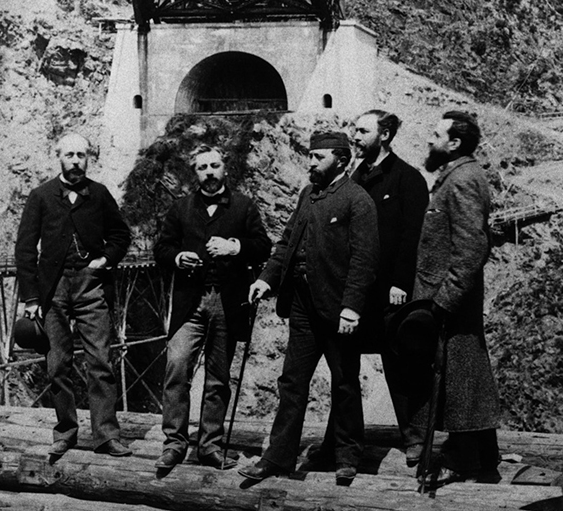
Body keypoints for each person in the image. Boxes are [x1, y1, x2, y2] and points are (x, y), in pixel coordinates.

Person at [239, 131, 380, 485]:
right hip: (301, 305)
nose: (311, 163)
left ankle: (347, 457)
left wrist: (351, 308)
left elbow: (365, 260)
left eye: (318, 158)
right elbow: (287, 241)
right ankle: (279, 456)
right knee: (292, 382)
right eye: (310, 157)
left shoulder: (357, 201)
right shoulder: (308, 194)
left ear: (342, 160)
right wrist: (266, 279)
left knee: (344, 382)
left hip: (337, 309)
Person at [313, 110, 429, 467]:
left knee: (401, 364)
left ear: (386, 135)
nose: (355, 135)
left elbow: (414, 236)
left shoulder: (408, 179)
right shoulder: (352, 180)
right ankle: (341, 442)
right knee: (344, 366)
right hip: (356, 291)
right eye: (354, 129)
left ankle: (416, 439)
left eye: (362, 130)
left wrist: (400, 283)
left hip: (391, 292)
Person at [154, 145, 271, 472]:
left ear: (224, 169)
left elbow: (263, 246)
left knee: (218, 378)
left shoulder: (243, 207)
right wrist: (178, 257)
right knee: (176, 366)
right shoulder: (180, 209)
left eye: (214, 165)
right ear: (195, 173)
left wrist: (235, 247)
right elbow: (161, 249)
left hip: (227, 302)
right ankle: (174, 444)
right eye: (202, 167)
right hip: (190, 302)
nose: (208, 172)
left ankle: (209, 446)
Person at [15, 133, 132, 458]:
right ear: (59, 157)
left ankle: (106, 435)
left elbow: (121, 234)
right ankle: (65, 432)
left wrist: (105, 259)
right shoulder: (40, 196)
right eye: (70, 154)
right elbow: (24, 249)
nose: (76, 160)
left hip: (91, 286)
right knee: (57, 365)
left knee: (100, 361)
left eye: (82, 155)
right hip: (52, 290)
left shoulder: (99, 194)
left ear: (88, 158)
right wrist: (32, 298)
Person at [412, 110, 500, 485]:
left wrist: (443, 300)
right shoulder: (457, 176)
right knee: (467, 376)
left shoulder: (461, 180)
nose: (429, 140)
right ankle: (482, 457)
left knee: (461, 378)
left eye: (436, 134)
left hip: (451, 300)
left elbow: (470, 248)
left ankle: (461, 459)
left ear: (454, 144)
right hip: (451, 296)